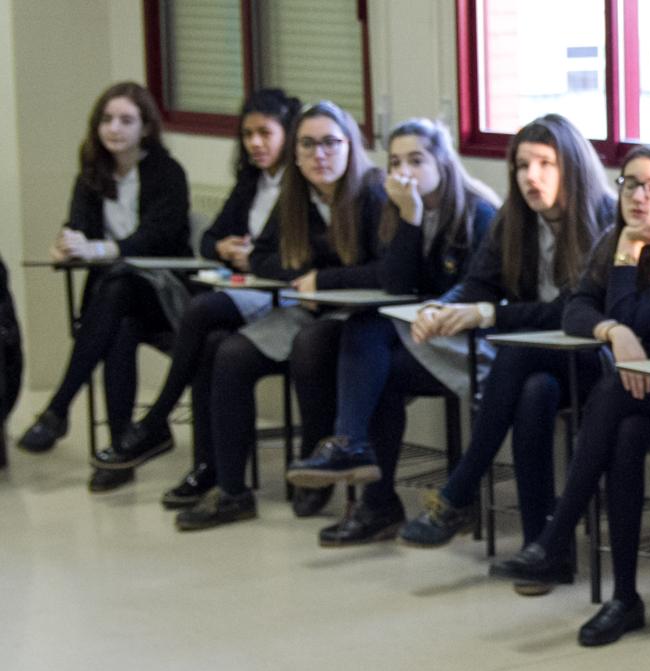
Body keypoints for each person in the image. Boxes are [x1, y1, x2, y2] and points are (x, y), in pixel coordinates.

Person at [504, 144, 650, 646]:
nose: (638, 196)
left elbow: (641, 318)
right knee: (627, 434)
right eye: (630, 183)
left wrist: (627, 267)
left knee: (614, 391)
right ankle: (625, 598)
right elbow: (576, 311)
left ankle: (556, 534)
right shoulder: (616, 240)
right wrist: (612, 330)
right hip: (646, 391)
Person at [394, 114, 617, 590]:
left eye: (545, 164)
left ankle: (460, 488)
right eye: (521, 166)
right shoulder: (513, 221)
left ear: (572, 167)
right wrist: (443, 306)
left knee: (514, 356)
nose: (531, 177)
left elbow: (570, 313)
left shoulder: (605, 217)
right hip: (542, 363)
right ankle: (544, 549)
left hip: (598, 359)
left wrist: (491, 316)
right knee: (533, 391)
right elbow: (478, 283)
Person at [282, 118, 501, 546]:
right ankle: (374, 497)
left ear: (442, 161)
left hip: (469, 341)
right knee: (371, 358)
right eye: (396, 162)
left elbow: (476, 290)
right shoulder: (401, 208)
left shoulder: (479, 211)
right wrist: (410, 220)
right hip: (422, 338)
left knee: (368, 338)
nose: (405, 172)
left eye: (417, 160)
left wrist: (435, 309)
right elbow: (397, 286)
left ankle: (356, 458)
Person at [176, 100, 386, 530]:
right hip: (306, 307)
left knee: (310, 347)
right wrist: (304, 278)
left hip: (359, 317)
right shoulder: (296, 195)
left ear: (350, 145)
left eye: (329, 143)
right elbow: (263, 258)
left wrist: (322, 283)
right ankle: (233, 492)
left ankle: (315, 457)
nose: (318, 155)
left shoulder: (373, 193)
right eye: (307, 145)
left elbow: (389, 271)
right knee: (230, 354)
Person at [88, 88, 301, 508]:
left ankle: (154, 422)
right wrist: (225, 250)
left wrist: (256, 258)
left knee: (202, 310)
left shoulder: (299, 184)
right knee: (207, 343)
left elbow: (299, 256)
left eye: (265, 133)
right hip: (244, 296)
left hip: (282, 300)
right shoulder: (251, 181)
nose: (255, 143)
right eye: (247, 134)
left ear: (288, 135)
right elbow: (207, 239)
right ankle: (209, 471)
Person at [17, 81, 191, 492]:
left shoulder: (166, 172)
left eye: (126, 120)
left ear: (146, 127)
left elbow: (156, 239)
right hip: (118, 299)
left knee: (120, 290)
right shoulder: (92, 172)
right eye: (107, 120)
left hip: (164, 293)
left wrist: (100, 248)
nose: (114, 129)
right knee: (120, 323)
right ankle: (119, 453)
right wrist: (67, 244)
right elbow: (78, 225)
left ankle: (59, 408)